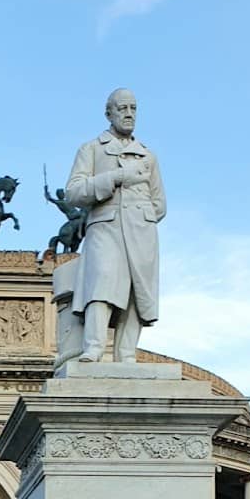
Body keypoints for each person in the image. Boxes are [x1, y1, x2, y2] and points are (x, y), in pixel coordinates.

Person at [65, 88, 166, 364]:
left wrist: (140, 217)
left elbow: (160, 203)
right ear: (109, 113)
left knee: (137, 290)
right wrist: (117, 177)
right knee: (102, 284)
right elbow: (73, 193)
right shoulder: (92, 149)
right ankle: (94, 348)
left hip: (141, 229)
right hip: (105, 226)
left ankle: (126, 354)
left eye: (133, 108)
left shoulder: (148, 156)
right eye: (122, 108)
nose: (129, 114)